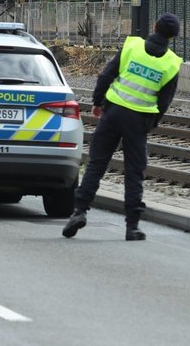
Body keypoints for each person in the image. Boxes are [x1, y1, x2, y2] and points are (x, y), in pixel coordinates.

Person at [62, 13, 183, 242]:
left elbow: (107, 74)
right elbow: (164, 102)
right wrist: (150, 124)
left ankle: (79, 212)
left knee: (96, 164)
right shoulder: (171, 63)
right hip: (139, 120)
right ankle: (132, 226)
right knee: (134, 172)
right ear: (172, 37)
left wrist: (98, 103)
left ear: (154, 26)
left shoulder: (132, 46)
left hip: (114, 112)